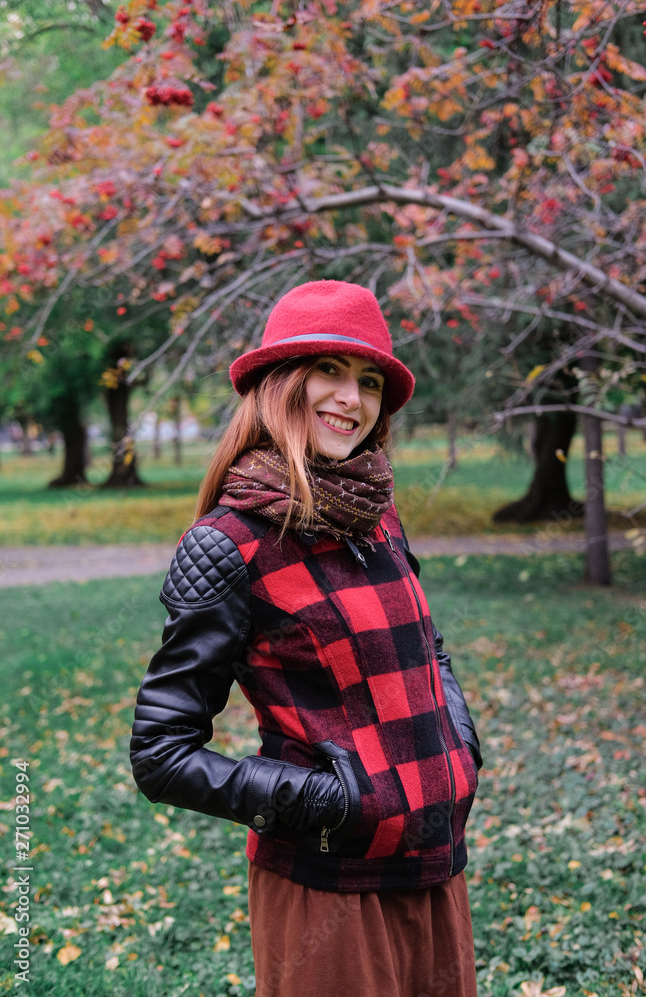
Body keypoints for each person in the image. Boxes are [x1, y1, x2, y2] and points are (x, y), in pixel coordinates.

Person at [130, 280, 482, 997]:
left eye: (369, 380)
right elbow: (160, 753)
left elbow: (428, 648)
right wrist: (332, 802)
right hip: (329, 886)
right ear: (277, 384)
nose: (352, 398)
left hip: (435, 866)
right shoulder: (228, 545)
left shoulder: (376, 516)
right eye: (328, 369)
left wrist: (460, 744)